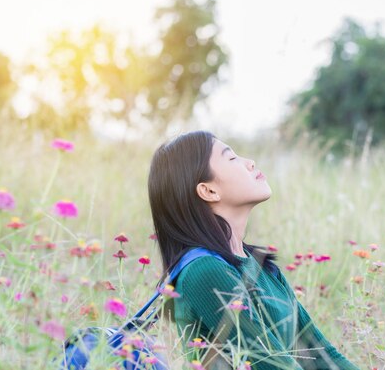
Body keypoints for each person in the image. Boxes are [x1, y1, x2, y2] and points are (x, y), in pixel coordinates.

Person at [147, 130, 360, 370]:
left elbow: (322, 356)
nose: (250, 163)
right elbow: (275, 366)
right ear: (208, 191)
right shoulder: (204, 271)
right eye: (231, 158)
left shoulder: (260, 267)